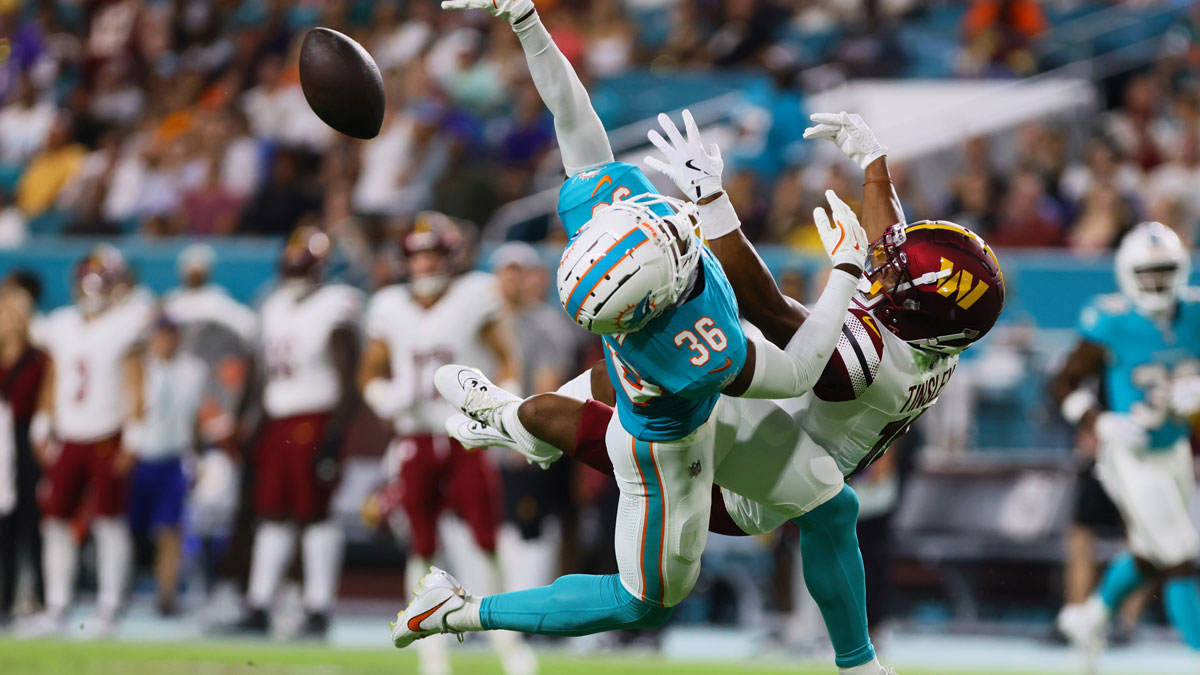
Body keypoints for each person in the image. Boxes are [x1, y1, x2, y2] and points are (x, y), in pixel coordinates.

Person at [434, 110, 1005, 675]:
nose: (887, 270)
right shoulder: (934, 336)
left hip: (744, 485)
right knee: (667, 369)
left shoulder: (880, 364)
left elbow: (771, 310)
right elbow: (891, 253)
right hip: (763, 422)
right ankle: (523, 427)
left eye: (898, 281)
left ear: (919, 315)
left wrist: (713, 201)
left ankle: (521, 431)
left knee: (692, 545)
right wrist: (875, 168)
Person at [390, 0, 871, 665]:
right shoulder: (690, 346)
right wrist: (845, 270)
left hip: (675, 396)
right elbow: (796, 372)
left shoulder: (613, 222)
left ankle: (860, 662)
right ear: (655, 302)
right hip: (666, 450)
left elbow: (571, 114)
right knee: (644, 599)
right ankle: (459, 609)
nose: (671, 228)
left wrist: (527, 22)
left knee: (829, 504)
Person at [358, 214, 535, 675]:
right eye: (418, 255)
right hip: (415, 437)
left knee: (485, 537)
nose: (425, 263)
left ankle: (507, 642)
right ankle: (430, 648)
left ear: (450, 256)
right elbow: (370, 372)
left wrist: (504, 409)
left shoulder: (475, 294)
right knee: (421, 540)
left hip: (465, 437)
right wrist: (386, 396)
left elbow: (507, 356)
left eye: (433, 253)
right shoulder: (389, 305)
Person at [1050, 221, 1200, 670]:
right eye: (1146, 274)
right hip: (1128, 454)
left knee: (1150, 554)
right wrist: (1101, 421)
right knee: (1179, 554)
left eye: (1164, 272)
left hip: (1173, 451)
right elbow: (1061, 382)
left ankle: (1090, 618)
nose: (1156, 284)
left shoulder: (1194, 313)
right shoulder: (1110, 320)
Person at [227, 227, 362, 639]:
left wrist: (336, 434)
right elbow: (257, 371)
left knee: (314, 516)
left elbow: (347, 378)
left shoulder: (336, 305)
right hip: (277, 420)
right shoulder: (273, 306)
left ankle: (318, 607)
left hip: (314, 418)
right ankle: (259, 603)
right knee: (271, 514)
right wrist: (243, 419)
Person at [22, 246, 150, 638]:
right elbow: (54, 378)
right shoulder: (61, 324)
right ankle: (57, 604)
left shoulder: (125, 323)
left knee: (110, 523)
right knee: (55, 521)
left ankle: (110, 606)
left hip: (107, 433)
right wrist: (43, 424)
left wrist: (133, 436)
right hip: (69, 433)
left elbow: (135, 384)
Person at [128, 314, 208, 616]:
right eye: (161, 334)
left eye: (171, 334)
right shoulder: (137, 366)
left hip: (173, 457)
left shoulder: (193, 370)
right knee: (124, 530)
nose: (166, 341)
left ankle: (166, 595)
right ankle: (117, 591)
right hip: (137, 456)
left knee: (170, 531)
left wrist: (196, 456)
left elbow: (196, 418)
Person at [0, 284, 49, 627]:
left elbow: (44, 399)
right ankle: (3, 599)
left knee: (31, 523)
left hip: (27, 440)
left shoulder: (38, 358)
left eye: (15, 314)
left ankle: (39, 597)